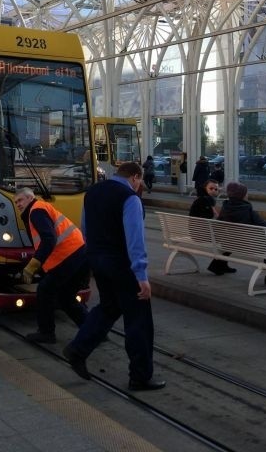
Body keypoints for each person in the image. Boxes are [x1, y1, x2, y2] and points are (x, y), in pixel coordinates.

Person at [62, 162, 165, 391]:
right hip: (122, 264)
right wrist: (141, 275)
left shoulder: (92, 192)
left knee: (109, 307)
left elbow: (84, 228)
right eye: (139, 182)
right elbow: (135, 239)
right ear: (136, 177)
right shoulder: (129, 198)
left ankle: (77, 349)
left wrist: (92, 258)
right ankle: (140, 376)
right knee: (139, 320)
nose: (139, 186)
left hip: (97, 260)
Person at [14, 187, 89, 344]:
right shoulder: (38, 209)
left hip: (68, 256)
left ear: (30, 198)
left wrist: (33, 265)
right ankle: (93, 330)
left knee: (45, 290)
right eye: (16, 202)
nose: (18, 204)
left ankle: (46, 333)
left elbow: (49, 239)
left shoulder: (36, 210)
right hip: (79, 253)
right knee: (65, 296)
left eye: (20, 200)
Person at [217, 181, 266, 289]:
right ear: (241, 195)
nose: (247, 195)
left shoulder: (225, 208)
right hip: (252, 246)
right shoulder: (247, 209)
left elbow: (219, 225)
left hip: (233, 243)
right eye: (246, 193)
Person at [188, 179, 236, 275]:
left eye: (216, 189)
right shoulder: (207, 200)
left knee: (228, 238)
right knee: (232, 239)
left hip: (196, 232)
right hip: (200, 234)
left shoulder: (201, 198)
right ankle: (218, 266)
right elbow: (215, 217)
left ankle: (221, 265)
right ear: (205, 188)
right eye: (211, 188)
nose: (214, 190)